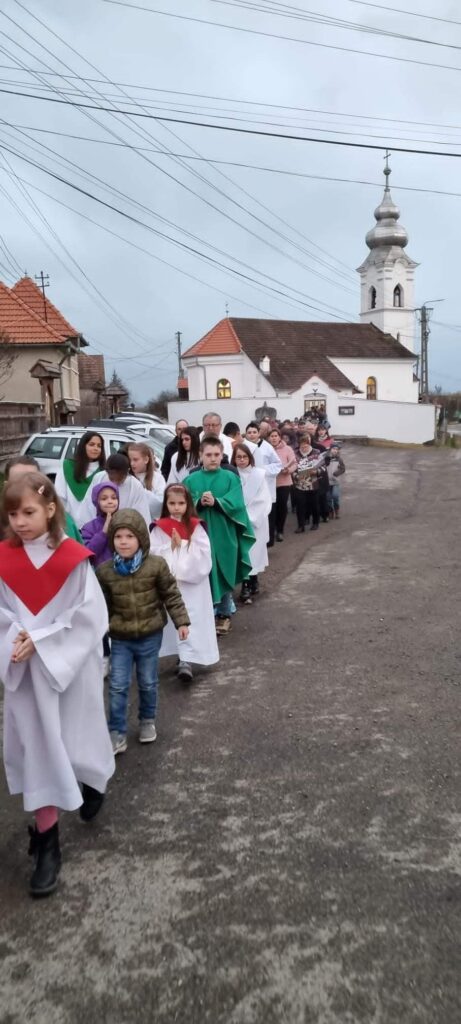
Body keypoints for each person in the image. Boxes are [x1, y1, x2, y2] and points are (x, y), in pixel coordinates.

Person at [0, 472, 115, 898]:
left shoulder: (74, 558)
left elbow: (89, 617)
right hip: (25, 673)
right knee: (40, 752)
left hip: (69, 667)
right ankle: (47, 843)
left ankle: (93, 780)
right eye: (12, 514)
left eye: (28, 512)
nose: (20, 522)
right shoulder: (4, 559)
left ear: (50, 509)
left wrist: (43, 640)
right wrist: (16, 638)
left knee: (77, 739)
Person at [96, 509, 190, 755]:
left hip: (150, 636)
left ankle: (147, 720)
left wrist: (181, 622)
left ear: (141, 538)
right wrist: (96, 630)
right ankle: (116, 732)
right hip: (120, 639)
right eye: (118, 537)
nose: (124, 542)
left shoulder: (156, 566)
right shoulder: (105, 572)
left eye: (130, 536)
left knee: (148, 682)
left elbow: (171, 594)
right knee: (118, 685)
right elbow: (99, 606)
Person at [185, 436, 255, 636]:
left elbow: (237, 503)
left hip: (225, 534)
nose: (213, 458)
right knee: (202, 574)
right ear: (200, 455)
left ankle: (224, 614)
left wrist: (217, 502)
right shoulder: (190, 480)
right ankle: (204, 616)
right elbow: (181, 503)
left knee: (223, 571)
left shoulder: (230, 477)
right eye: (208, 455)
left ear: (222, 454)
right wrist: (198, 502)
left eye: (217, 454)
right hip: (199, 535)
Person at [150, 484, 219, 682]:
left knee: (192, 619)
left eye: (181, 503)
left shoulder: (195, 526)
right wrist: (169, 548)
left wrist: (183, 546)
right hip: (170, 584)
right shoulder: (159, 527)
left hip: (193, 586)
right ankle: (180, 656)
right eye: (172, 503)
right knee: (173, 619)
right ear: (166, 504)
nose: (176, 507)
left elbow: (204, 555)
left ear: (188, 504)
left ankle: (187, 659)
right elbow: (152, 552)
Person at [2, 455, 82, 543]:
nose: (20, 522)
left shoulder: (62, 520)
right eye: (18, 481)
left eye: (32, 480)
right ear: (6, 486)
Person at [231, 444, 271, 603]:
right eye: (238, 457)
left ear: (250, 458)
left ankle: (253, 581)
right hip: (238, 520)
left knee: (254, 553)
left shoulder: (259, 475)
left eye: (244, 457)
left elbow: (264, 498)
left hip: (256, 521)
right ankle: (246, 584)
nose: (241, 460)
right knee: (244, 553)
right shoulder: (231, 475)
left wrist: (250, 517)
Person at [79, 452, 151, 528]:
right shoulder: (99, 478)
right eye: (112, 478)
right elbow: (88, 506)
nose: (115, 482)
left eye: (119, 478)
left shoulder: (135, 486)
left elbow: (141, 514)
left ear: (127, 472)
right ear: (107, 471)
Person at [55, 431, 106, 526]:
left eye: (99, 446)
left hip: (93, 526)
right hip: (69, 523)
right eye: (91, 444)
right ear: (83, 446)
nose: (96, 448)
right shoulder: (67, 467)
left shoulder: (103, 472)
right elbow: (60, 496)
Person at [245, 422, 281, 547]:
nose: (252, 435)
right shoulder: (244, 447)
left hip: (266, 485)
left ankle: (268, 541)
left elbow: (277, 464)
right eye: (249, 432)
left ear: (259, 433)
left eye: (254, 432)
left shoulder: (267, 447)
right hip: (249, 487)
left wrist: (262, 470)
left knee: (267, 514)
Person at [268, 428, 297, 542]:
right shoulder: (266, 449)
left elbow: (294, 463)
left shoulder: (287, 449)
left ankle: (280, 530)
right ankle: (272, 529)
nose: (274, 438)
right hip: (270, 483)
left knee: (282, 506)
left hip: (284, 482)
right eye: (272, 436)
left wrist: (288, 470)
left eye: (276, 436)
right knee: (272, 508)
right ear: (268, 438)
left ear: (279, 437)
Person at [81, 482, 120, 568]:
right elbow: (89, 554)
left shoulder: (124, 521)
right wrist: (103, 532)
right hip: (99, 573)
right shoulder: (89, 528)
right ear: (97, 502)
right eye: (104, 499)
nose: (110, 501)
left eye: (114, 498)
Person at [126, 441, 165, 520]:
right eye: (130, 460)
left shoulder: (157, 478)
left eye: (135, 460)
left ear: (146, 460)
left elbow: (160, 503)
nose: (132, 463)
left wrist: (141, 490)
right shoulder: (127, 477)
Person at [293, 436, 324, 533]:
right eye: (302, 446)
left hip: (313, 483)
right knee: (300, 506)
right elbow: (292, 468)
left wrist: (317, 471)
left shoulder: (316, 452)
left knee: (314, 504)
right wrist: (296, 476)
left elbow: (323, 467)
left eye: (306, 446)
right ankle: (301, 526)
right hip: (300, 484)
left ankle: (315, 523)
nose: (304, 448)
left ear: (309, 444)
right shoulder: (295, 453)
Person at [326, 443, 346, 518]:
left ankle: (336, 510)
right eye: (334, 449)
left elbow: (343, 469)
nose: (335, 450)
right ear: (330, 449)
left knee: (335, 496)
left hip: (335, 481)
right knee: (328, 498)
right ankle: (330, 511)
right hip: (327, 481)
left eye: (337, 449)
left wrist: (336, 473)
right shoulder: (326, 458)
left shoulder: (339, 459)